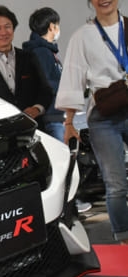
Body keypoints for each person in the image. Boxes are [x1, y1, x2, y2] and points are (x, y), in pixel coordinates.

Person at [56, 0, 128, 245]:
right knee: (116, 183)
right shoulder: (83, 36)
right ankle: (123, 237)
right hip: (103, 117)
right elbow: (72, 79)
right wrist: (68, 123)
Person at [22, 7, 92, 213]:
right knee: (64, 161)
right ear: (52, 26)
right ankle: (70, 204)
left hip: (59, 112)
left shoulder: (46, 51)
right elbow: (50, 83)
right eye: (58, 25)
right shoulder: (41, 52)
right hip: (54, 115)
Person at [0, 6, 53, 129]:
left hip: (35, 128)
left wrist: (37, 108)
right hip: (1, 133)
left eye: (7, 26)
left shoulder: (29, 57)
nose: (4, 32)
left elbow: (46, 90)